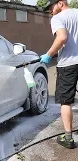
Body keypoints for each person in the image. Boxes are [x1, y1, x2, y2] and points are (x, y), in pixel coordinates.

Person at [41, 0, 78, 149]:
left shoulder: (58, 18)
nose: (50, 11)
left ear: (60, 3)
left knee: (66, 101)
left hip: (68, 64)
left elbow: (62, 37)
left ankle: (68, 138)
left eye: (51, 7)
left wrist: (49, 54)